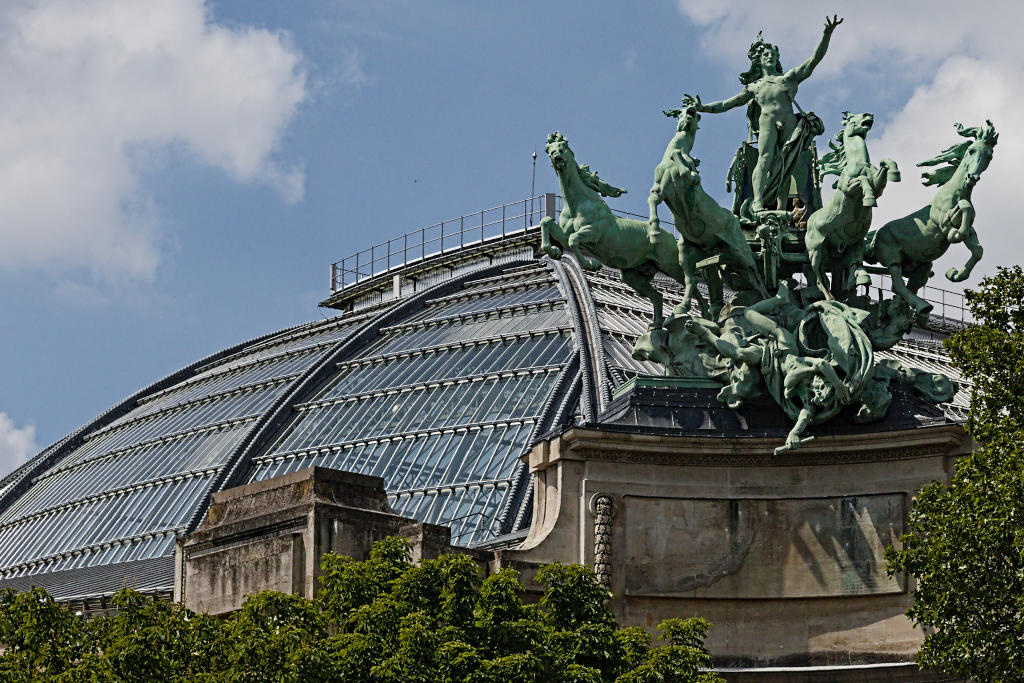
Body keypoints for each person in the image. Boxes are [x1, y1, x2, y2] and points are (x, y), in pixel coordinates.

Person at [684, 16, 842, 214]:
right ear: (759, 60)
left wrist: (826, 34)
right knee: (764, 158)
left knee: (786, 166)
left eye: (774, 54)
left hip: (789, 121)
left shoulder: (789, 79)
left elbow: (813, 61)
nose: (771, 57)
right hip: (767, 121)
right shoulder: (755, 86)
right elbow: (727, 104)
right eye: (767, 54)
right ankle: (758, 203)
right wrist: (702, 107)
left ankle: (781, 207)